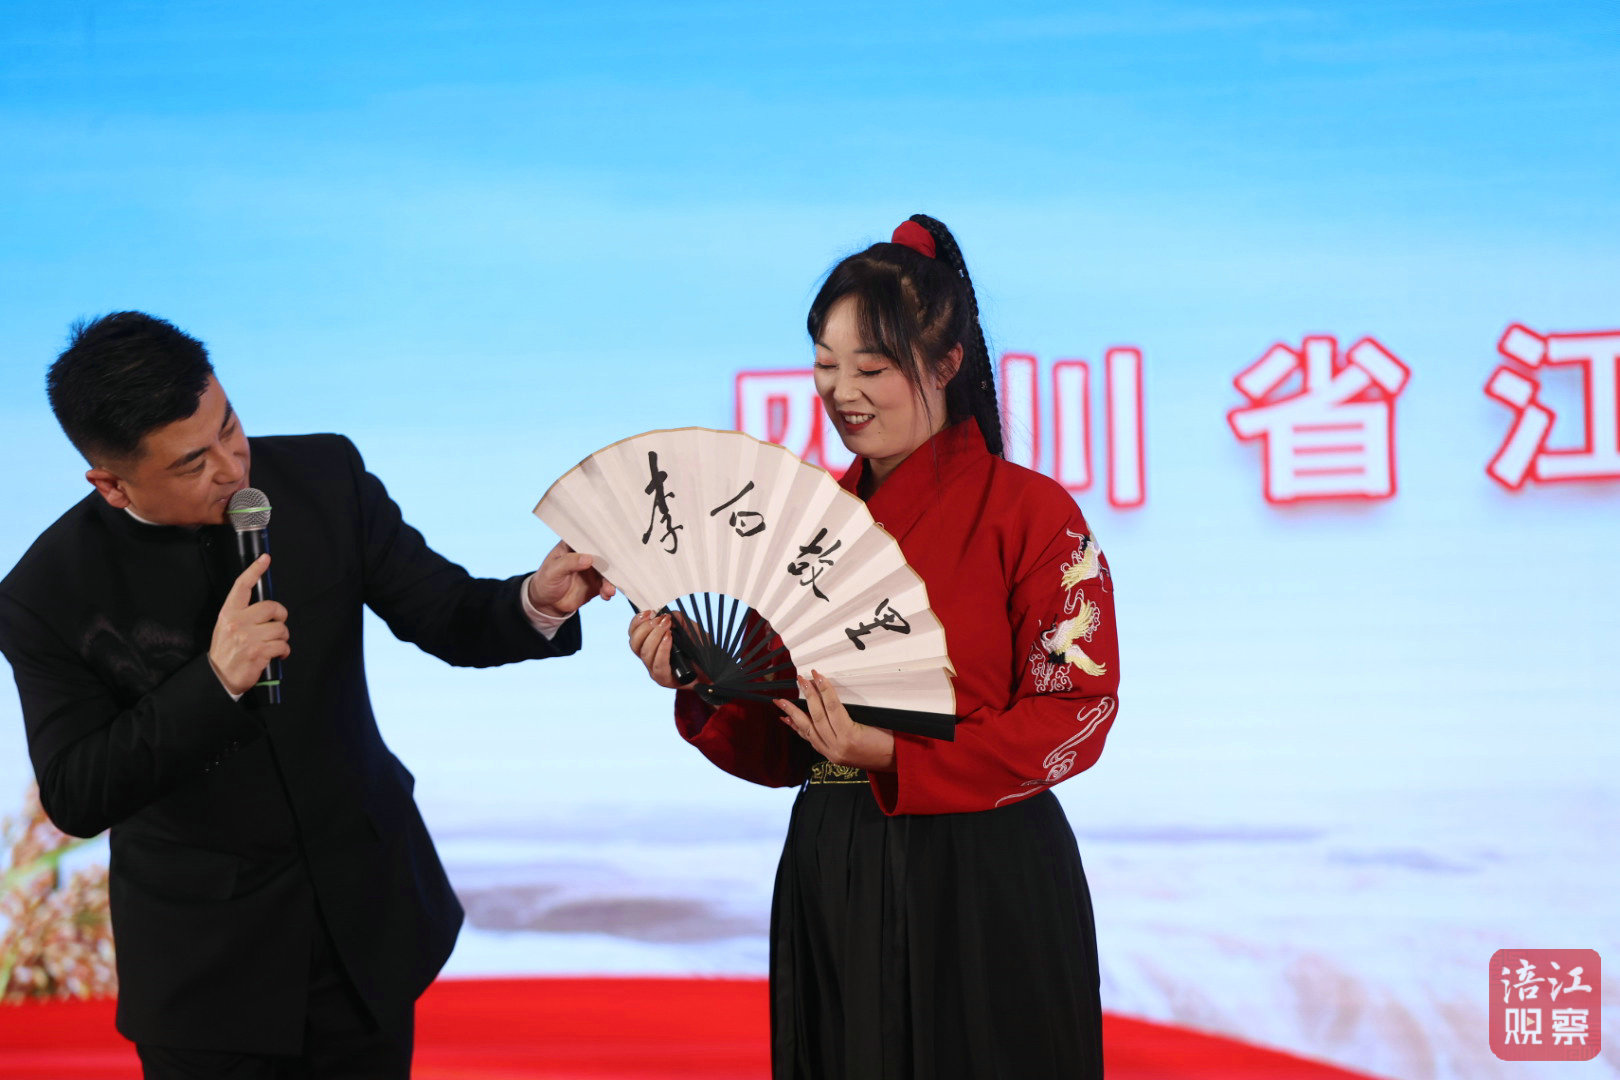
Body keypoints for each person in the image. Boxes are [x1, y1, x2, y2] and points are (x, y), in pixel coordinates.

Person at [0, 312, 612, 1078]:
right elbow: (76, 792)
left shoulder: (324, 477)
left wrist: (536, 601)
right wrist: (214, 683)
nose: (232, 467)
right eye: (192, 463)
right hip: (210, 971)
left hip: (366, 921)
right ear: (112, 484)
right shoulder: (46, 593)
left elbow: (447, 614)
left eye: (230, 427)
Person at [630, 215, 1120, 1078]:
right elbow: (778, 745)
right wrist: (701, 677)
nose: (842, 391)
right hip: (835, 863)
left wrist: (897, 756)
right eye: (825, 364)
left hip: (984, 870)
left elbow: (1074, 713)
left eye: (872, 367)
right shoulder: (804, 523)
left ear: (947, 363)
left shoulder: (1032, 513)